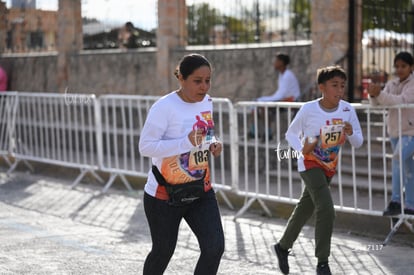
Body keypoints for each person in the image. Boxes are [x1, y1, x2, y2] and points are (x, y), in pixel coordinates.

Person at [139, 53, 225, 275]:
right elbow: (145, 147)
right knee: (163, 251)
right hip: (164, 195)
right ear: (181, 79)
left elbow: (206, 135)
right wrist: (184, 143)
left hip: (200, 189)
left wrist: (213, 143)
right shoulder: (164, 107)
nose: (204, 86)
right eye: (197, 81)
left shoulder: (207, 102)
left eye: (208, 80)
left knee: (214, 248)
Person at [273, 66, 363, 275]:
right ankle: (323, 262)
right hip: (309, 164)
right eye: (334, 86)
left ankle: (282, 246)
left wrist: (350, 133)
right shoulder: (309, 109)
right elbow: (291, 134)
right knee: (326, 210)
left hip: (329, 167)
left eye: (342, 86)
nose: (339, 91)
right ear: (321, 87)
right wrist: (301, 150)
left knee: (305, 208)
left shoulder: (348, 109)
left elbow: (359, 142)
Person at [368, 51, 414, 216]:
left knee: (398, 158)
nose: (400, 69)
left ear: (411, 67)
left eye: (404, 66)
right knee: (408, 167)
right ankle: (410, 205)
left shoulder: (412, 84)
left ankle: (395, 201)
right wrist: (373, 94)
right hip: (394, 131)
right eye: (397, 66)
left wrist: (380, 94)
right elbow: (377, 105)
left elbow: (400, 101)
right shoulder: (392, 84)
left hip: (410, 132)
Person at [250, 53, 301, 139]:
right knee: (257, 105)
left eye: (276, 61)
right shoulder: (282, 75)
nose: (274, 63)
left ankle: (268, 134)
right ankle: (253, 132)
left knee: (263, 106)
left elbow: (281, 95)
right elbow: (279, 94)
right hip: (284, 100)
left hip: (291, 101)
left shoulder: (287, 75)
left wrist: (265, 100)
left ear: (281, 62)